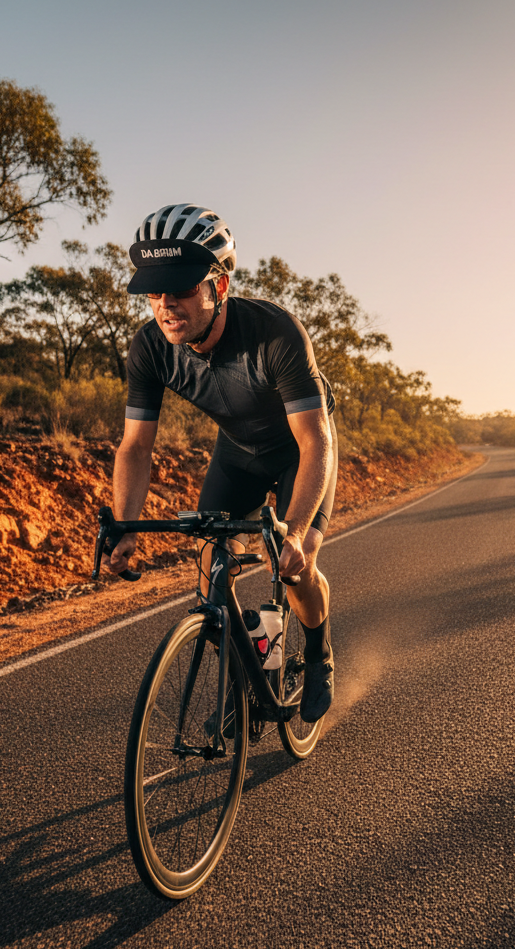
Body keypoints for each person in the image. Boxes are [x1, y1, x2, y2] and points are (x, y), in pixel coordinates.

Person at [102, 203, 338, 722]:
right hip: (237, 453)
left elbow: (314, 440)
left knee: (297, 570)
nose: (166, 306)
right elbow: (136, 447)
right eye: (154, 293)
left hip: (300, 450)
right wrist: (124, 527)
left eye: (182, 290)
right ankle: (248, 676)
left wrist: (295, 534)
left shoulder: (276, 333)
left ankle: (318, 653)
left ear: (220, 286)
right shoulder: (150, 348)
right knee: (212, 571)